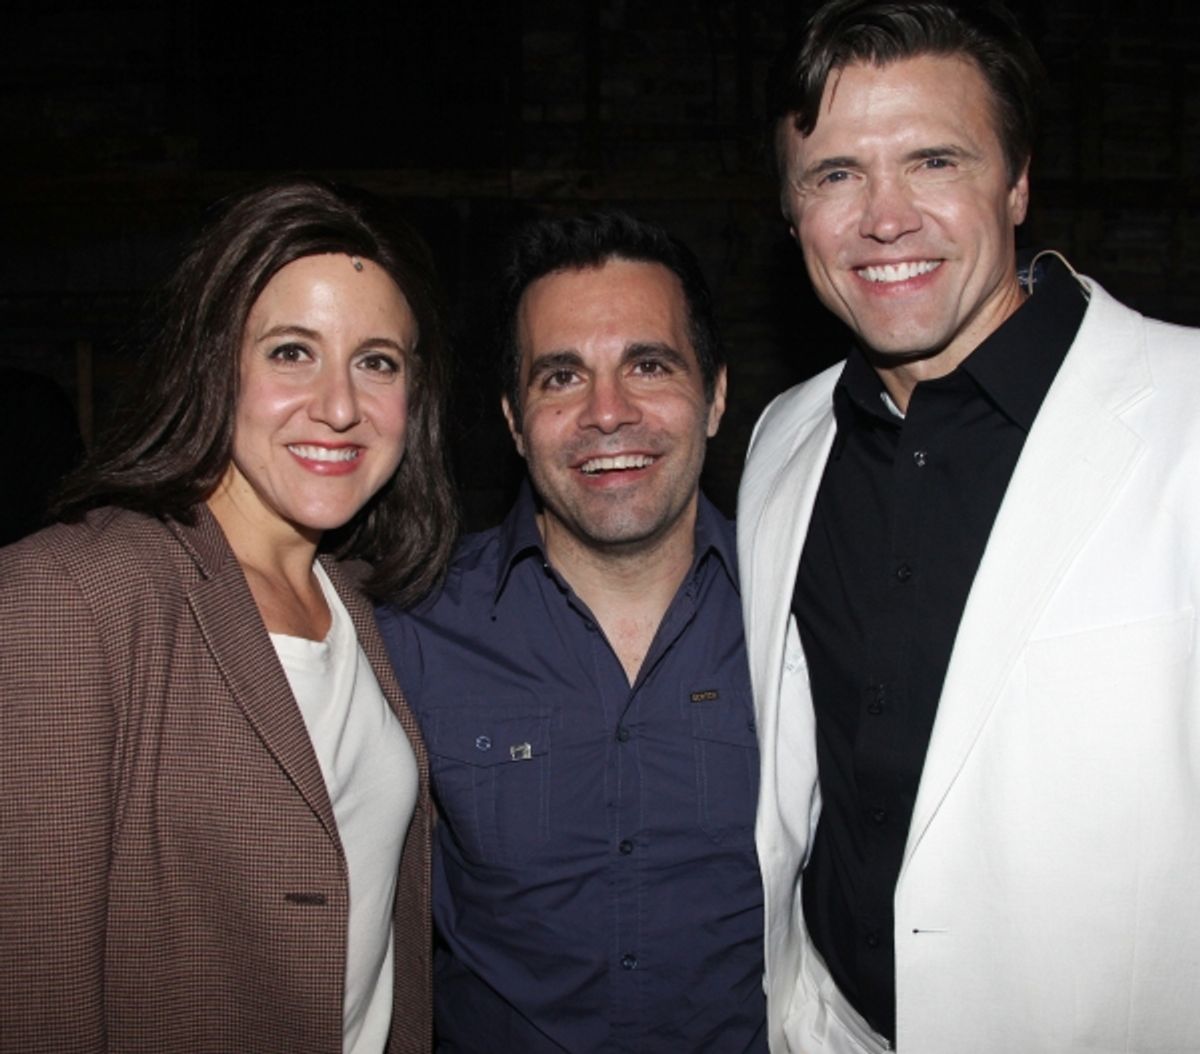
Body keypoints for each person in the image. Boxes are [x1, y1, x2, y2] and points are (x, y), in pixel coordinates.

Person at [739, 1, 1200, 1051]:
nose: (885, 217)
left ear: (1018, 180)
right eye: (835, 175)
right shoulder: (784, 439)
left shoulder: (1189, 415)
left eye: (935, 161)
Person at [0, 178, 457, 1053]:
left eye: (377, 361)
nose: (338, 405)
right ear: (215, 363)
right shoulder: (69, 596)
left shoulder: (357, 604)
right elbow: (32, 996)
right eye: (292, 352)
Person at [377, 212, 767, 1052]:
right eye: (562, 378)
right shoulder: (411, 634)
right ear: (516, 422)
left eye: (649, 365)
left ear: (717, 396)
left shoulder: (805, 614)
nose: (607, 413)